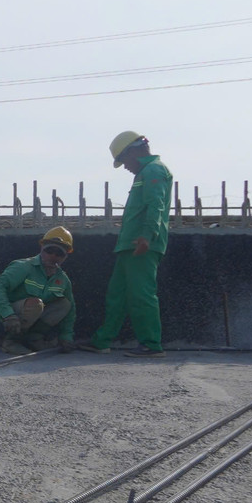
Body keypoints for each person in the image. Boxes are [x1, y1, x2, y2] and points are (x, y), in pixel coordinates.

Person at [79, 132, 173, 358]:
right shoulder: (145, 172)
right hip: (130, 244)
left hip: (141, 244)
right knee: (117, 295)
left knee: (141, 295)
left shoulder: (154, 170)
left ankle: (151, 344)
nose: (125, 167)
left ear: (134, 151)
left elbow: (155, 205)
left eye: (124, 161)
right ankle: (102, 341)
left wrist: (147, 236)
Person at [0, 226, 77, 355]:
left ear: (65, 256)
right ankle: (11, 341)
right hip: (4, 320)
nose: (53, 256)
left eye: (59, 253)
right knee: (35, 303)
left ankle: (34, 339)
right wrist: (8, 314)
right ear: (42, 248)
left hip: (29, 320)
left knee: (65, 304)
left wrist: (66, 336)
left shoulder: (63, 279)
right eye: (49, 251)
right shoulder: (24, 267)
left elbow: (71, 310)